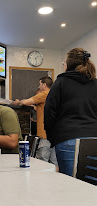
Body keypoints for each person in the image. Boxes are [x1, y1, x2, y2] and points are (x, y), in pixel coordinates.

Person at [44, 48, 97, 176]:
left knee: (69, 185)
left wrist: (53, 138)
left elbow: (49, 112)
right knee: (91, 185)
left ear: (68, 64)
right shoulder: (95, 84)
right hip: (94, 139)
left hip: (68, 138)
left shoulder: (61, 82)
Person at [13, 77, 57, 166]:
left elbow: (26, 102)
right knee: (54, 163)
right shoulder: (54, 94)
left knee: (41, 161)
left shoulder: (44, 94)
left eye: (40, 84)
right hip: (54, 134)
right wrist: (34, 107)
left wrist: (18, 102)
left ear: (44, 85)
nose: (39, 86)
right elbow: (45, 109)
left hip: (45, 134)